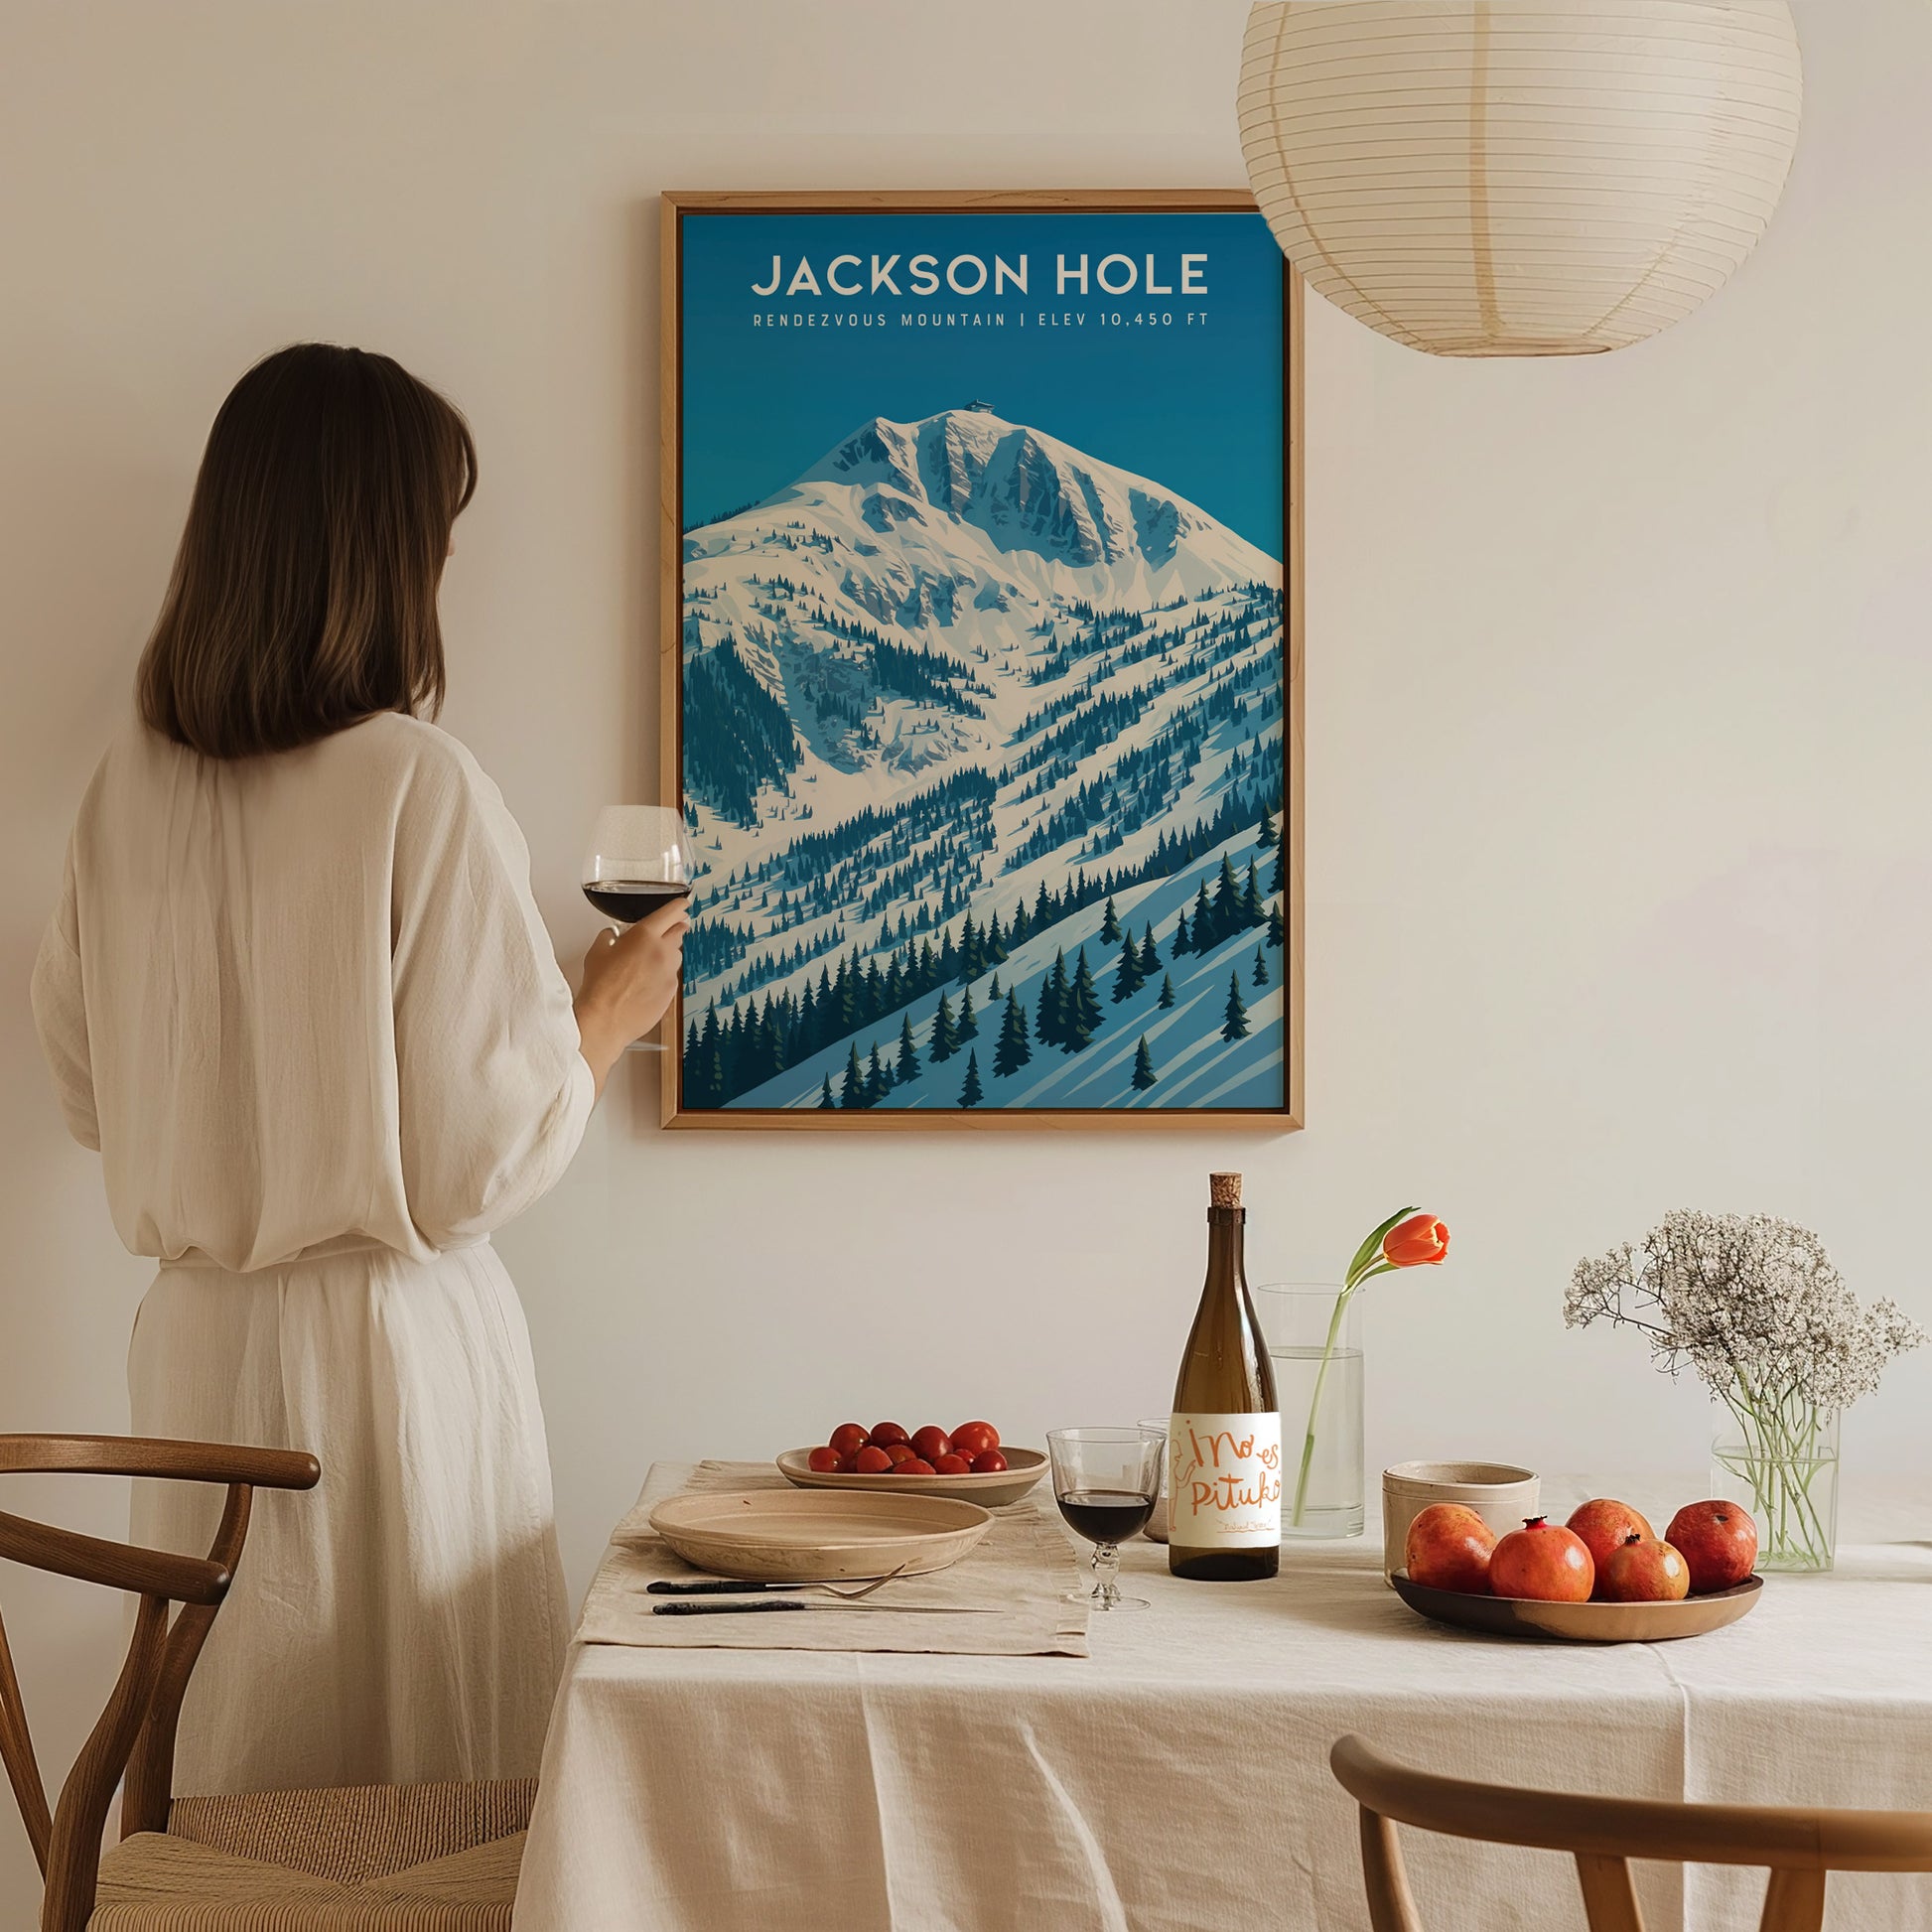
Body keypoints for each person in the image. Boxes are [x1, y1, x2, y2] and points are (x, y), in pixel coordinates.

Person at [29, 343, 684, 1793]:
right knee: (420, 1796)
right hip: (387, 1362)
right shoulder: (414, 780)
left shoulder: (122, 792)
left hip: (197, 1351)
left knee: (239, 1774)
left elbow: (87, 1094)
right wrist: (602, 1013)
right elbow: (471, 1165)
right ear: (385, 553)